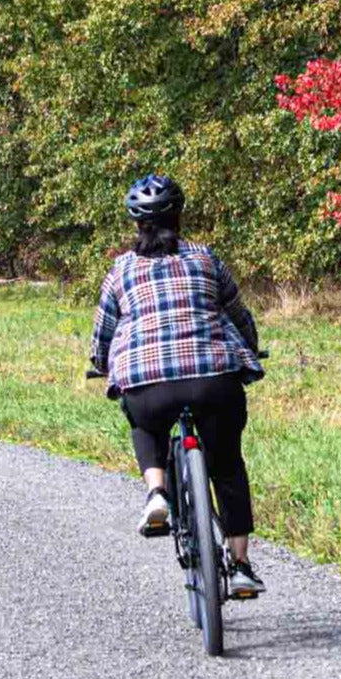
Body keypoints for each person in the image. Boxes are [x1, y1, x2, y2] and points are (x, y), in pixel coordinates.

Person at [91, 172, 266, 596]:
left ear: (137, 224)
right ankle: (240, 565)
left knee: (145, 422)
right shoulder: (206, 259)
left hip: (150, 385)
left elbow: (105, 330)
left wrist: (100, 363)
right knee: (227, 467)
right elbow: (238, 314)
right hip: (214, 381)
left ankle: (156, 493)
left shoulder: (121, 271)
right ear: (179, 218)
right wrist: (253, 348)